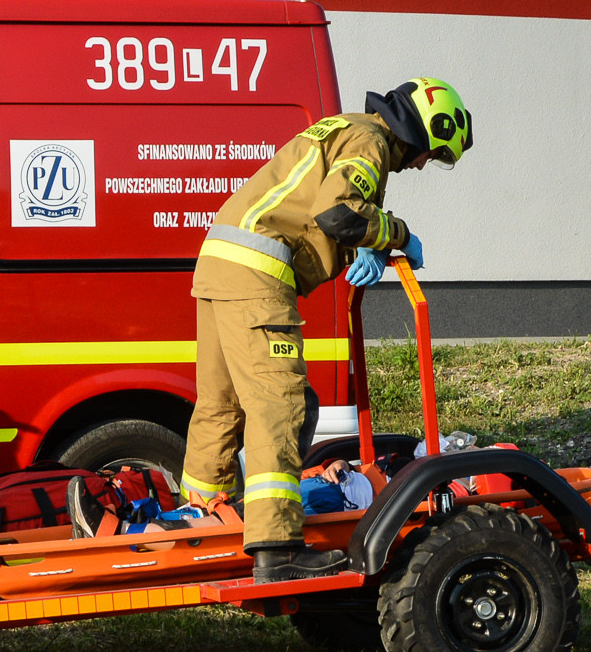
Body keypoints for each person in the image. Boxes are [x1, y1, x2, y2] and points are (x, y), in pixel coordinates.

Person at [180, 77, 473, 582]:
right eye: (434, 153)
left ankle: (198, 524)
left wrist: (365, 241)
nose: (424, 164)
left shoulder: (346, 127)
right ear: (424, 131)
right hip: (257, 273)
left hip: (219, 266)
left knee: (221, 405)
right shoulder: (371, 141)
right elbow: (337, 212)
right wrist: (397, 234)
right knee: (281, 406)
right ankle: (277, 550)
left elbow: (319, 208)